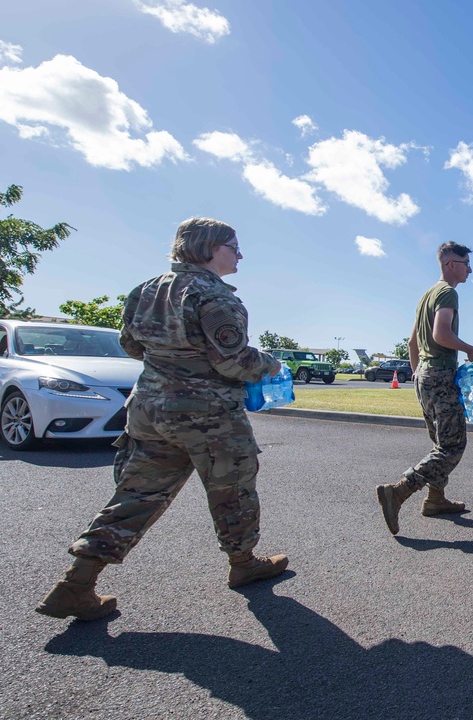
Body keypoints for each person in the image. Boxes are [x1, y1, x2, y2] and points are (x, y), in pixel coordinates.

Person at [36, 218, 288, 621]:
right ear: (208, 248)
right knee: (233, 489)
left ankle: (76, 583)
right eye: (233, 246)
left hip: (150, 409)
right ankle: (243, 563)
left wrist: (172, 361)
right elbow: (233, 360)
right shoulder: (216, 298)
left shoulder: (146, 290)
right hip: (207, 414)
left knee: (136, 495)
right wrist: (270, 365)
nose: (239, 255)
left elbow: (131, 345)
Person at [376, 242, 473, 535]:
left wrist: (417, 373)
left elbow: (413, 343)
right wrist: (469, 349)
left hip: (424, 375)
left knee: (440, 443)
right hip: (440, 374)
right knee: (452, 446)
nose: (469, 269)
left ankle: (436, 499)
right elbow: (441, 333)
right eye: (465, 262)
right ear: (451, 264)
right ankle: (397, 491)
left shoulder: (426, 296)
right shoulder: (448, 292)